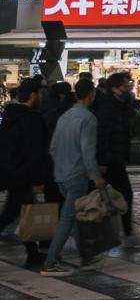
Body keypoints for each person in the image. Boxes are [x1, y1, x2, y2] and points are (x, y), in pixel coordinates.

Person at [38, 76, 103, 276]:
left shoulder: (64, 116)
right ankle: (50, 261)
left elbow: (52, 148)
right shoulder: (88, 119)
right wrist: (96, 176)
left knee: (73, 216)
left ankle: (87, 254)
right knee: (67, 218)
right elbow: (88, 152)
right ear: (92, 95)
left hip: (60, 175)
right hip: (77, 175)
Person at [0, 78, 53, 268]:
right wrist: (39, 179)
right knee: (11, 214)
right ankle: (33, 254)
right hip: (24, 174)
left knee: (22, 212)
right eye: (39, 94)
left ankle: (32, 254)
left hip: (11, 172)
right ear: (32, 95)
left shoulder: (10, 115)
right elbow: (35, 152)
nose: (41, 97)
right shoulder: (32, 119)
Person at [91, 71, 136, 242]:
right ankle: (126, 230)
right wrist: (106, 159)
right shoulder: (108, 108)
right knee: (124, 194)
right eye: (125, 86)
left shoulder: (120, 105)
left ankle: (122, 229)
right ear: (115, 88)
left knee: (108, 195)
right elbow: (103, 135)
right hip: (111, 160)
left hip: (115, 158)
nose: (128, 89)